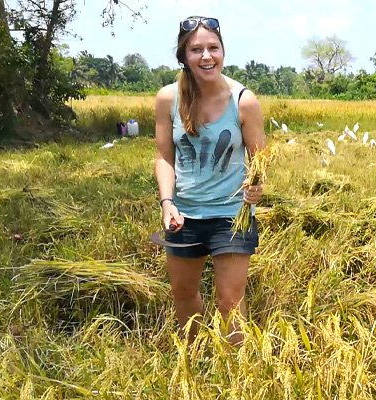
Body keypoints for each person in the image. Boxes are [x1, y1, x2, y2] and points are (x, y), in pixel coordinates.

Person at [153, 16, 265, 345]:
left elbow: (260, 161)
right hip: (183, 216)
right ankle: (196, 361)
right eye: (196, 49)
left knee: (230, 301)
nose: (206, 56)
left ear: (223, 51)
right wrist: (167, 203)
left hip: (232, 216)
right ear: (183, 56)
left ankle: (236, 376)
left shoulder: (244, 101)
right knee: (183, 294)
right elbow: (163, 158)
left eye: (213, 48)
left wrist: (257, 186)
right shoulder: (167, 99)